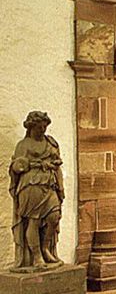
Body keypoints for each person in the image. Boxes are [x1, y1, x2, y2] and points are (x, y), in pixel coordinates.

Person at [9, 111, 64, 270]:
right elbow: (17, 167)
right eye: (39, 127)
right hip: (30, 186)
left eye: (45, 127)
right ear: (31, 127)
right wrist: (35, 164)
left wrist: (60, 186)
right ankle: (36, 256)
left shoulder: (50, 142)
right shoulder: (23, 145)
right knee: (33, 221)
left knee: (54, 217)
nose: (43, 130)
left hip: (49, 184)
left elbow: (57, 164)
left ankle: (46, 248)